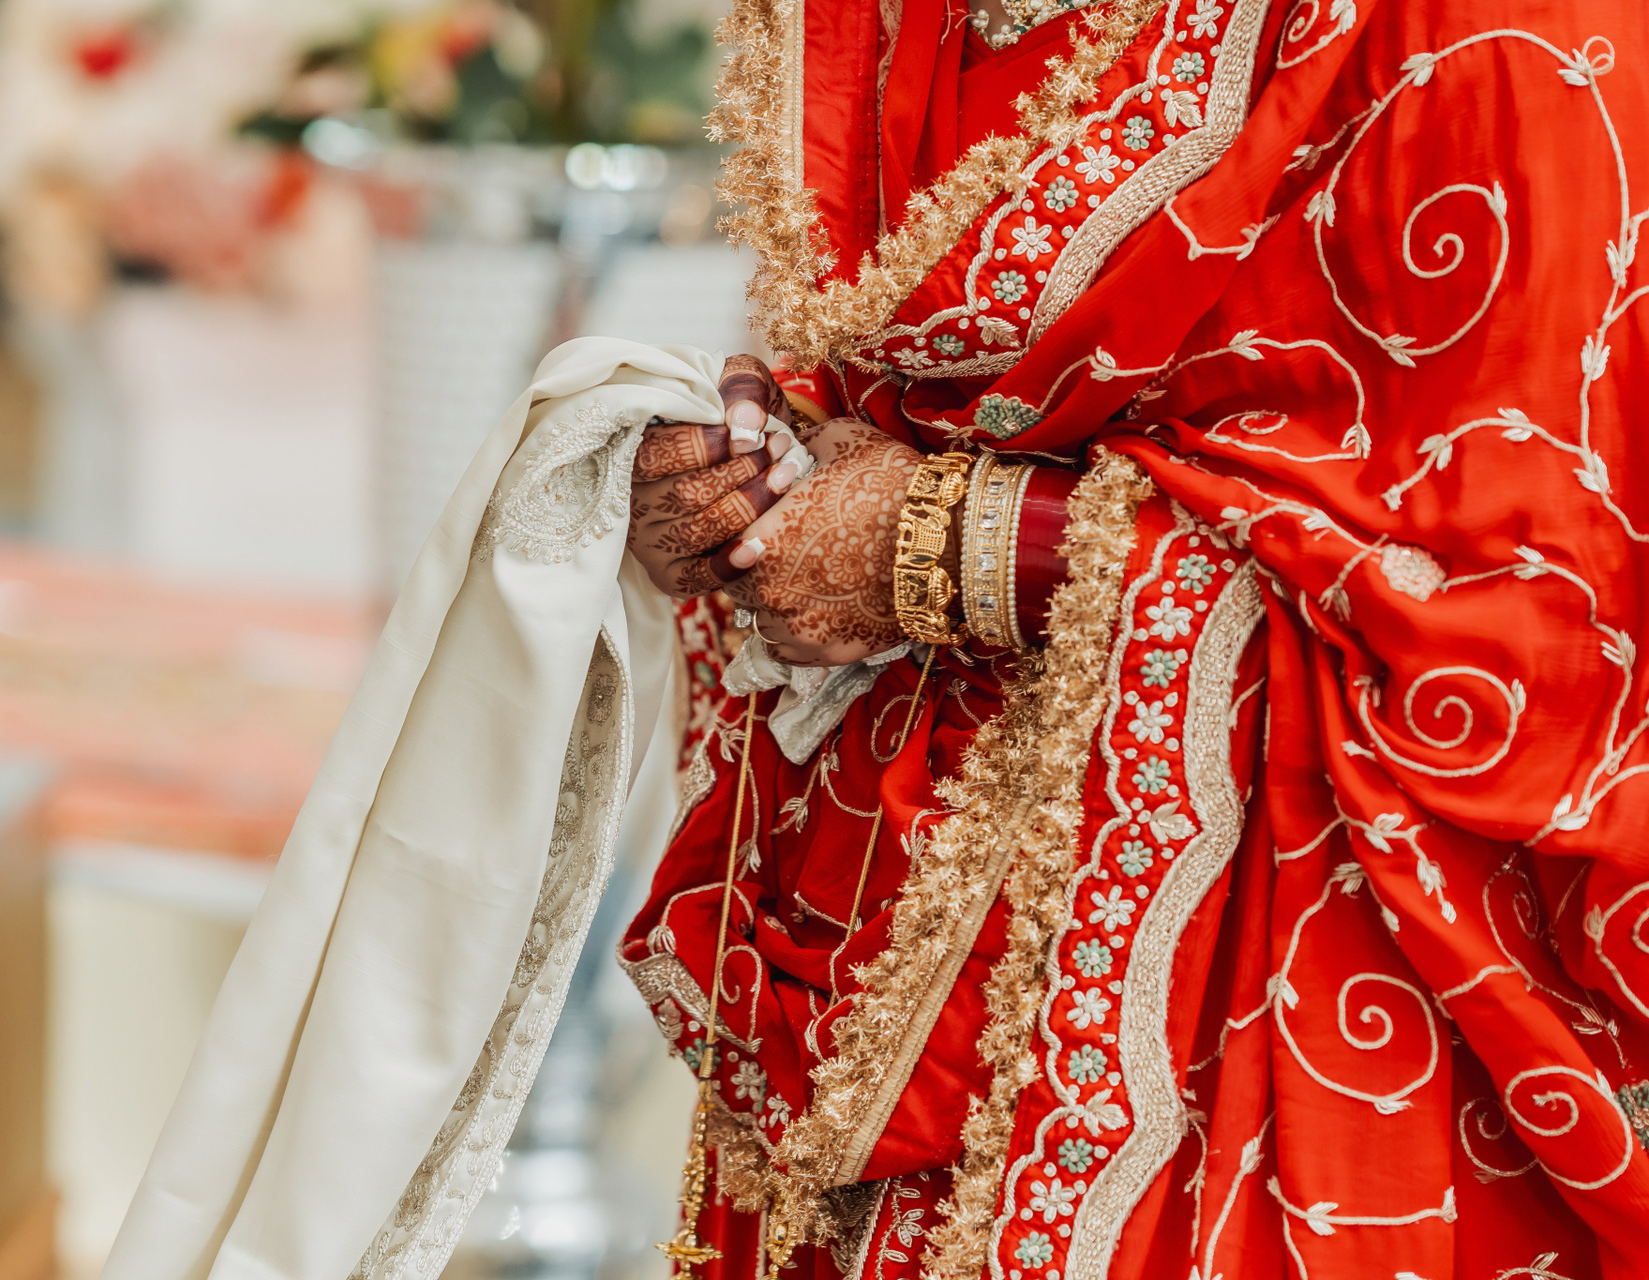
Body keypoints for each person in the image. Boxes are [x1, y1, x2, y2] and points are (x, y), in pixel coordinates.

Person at [618, 0, 1649, 1276]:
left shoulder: (1508, 40)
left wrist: (956, 545)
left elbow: (1546, 610)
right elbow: (967, 390)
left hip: (1278, 1014)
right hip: (890, 908)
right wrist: (750, 474)